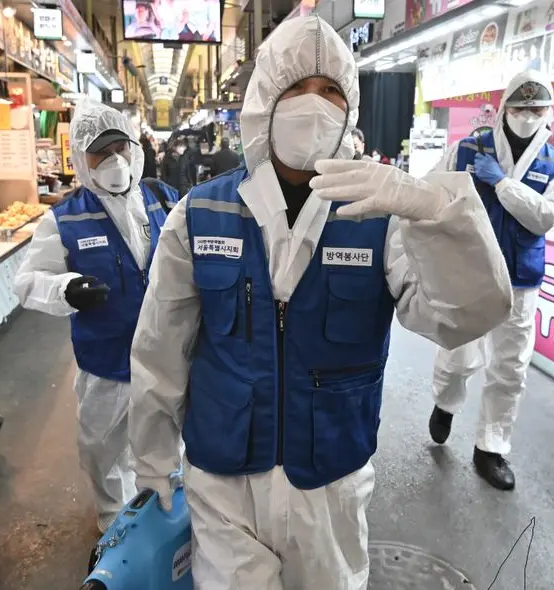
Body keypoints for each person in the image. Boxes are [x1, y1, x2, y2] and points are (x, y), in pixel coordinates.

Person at [127, 15, 512, 589]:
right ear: (265, 102)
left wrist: (439, 215)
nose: (314, 105)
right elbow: (161, 344)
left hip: (330, 481)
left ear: (350, 107)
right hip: (223, 477)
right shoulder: (200, 214)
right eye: (296, 89)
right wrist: (153, 457)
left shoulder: (382, 217)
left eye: (330, 90)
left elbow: (463, 318)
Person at [12, 101, 180, 534]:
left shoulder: (164, 199)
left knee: (165, 442)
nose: (113, 162)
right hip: (106, 362)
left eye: (119, 148)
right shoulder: (64, 220)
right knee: (102, 448)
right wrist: (63, 288)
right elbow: (27, 280)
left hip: (167, 357)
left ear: (134, 148)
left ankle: (168, 516)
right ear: (80, 160)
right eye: (98, 153)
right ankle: (113, 522)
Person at [429, 70, 554, 490]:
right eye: (520, 107)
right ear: (504, 108)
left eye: (536, 109)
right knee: (458, 355)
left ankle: (491, 447)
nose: (527, 116)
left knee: (510, 367)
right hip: (470, 269)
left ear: (548, 113)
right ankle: (445, 401)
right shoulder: (467, 149)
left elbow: (544, 216)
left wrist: (503, 184)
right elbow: (434, 192)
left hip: (522, 276)